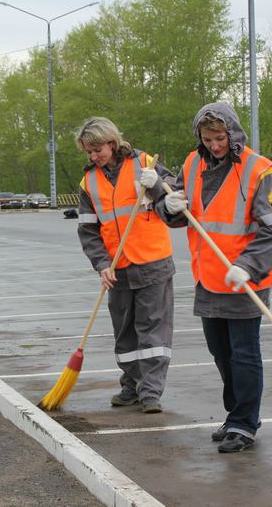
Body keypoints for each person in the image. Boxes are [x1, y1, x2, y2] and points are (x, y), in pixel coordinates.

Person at [151, 101, 272, 453]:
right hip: (208, 277)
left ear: (232, 133)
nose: (214, 145)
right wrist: (167, 207)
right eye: (207, 137)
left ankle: (244, 424)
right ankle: (237, 416)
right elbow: (183, 213)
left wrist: (249, 264)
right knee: (220, 352)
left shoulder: (259, 171)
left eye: (219, 137)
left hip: (245, 280)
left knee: (244, 354)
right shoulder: (192, 163)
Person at [74, 116, 176, 414]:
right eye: (88, 152)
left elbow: (175, 193)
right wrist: (102, 264)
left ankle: (151, 392)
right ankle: (132, 384)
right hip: (117, 269)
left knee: (152, 332)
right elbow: (88, 230)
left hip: (153, 263)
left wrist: (157, 185)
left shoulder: (145, 163)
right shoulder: (88, 182)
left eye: (97, 150)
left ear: (111, 142)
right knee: (125, 333)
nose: (93, 157)